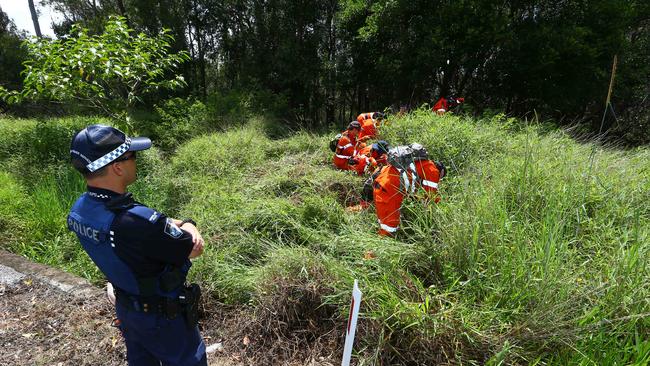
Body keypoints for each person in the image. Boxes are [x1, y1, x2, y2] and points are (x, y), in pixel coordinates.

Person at [67, 124, 207, 366]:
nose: (136, 161)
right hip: (163, 317)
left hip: (128, 309)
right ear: (118, 167)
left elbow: (135, 235)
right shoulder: (135, 222)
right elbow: (194, 248)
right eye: (132, 155)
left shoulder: (80, 210)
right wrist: (189, 223)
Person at [372, 144, 445, 236]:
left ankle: (379, 238)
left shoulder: (418, 164)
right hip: (389, 191)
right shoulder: (433, 171)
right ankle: (378, 247)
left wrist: (417, 198)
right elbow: (431, 198)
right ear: (440, 172)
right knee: (390, 228)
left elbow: (408, 184)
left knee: (383, 222)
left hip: (381, 184)